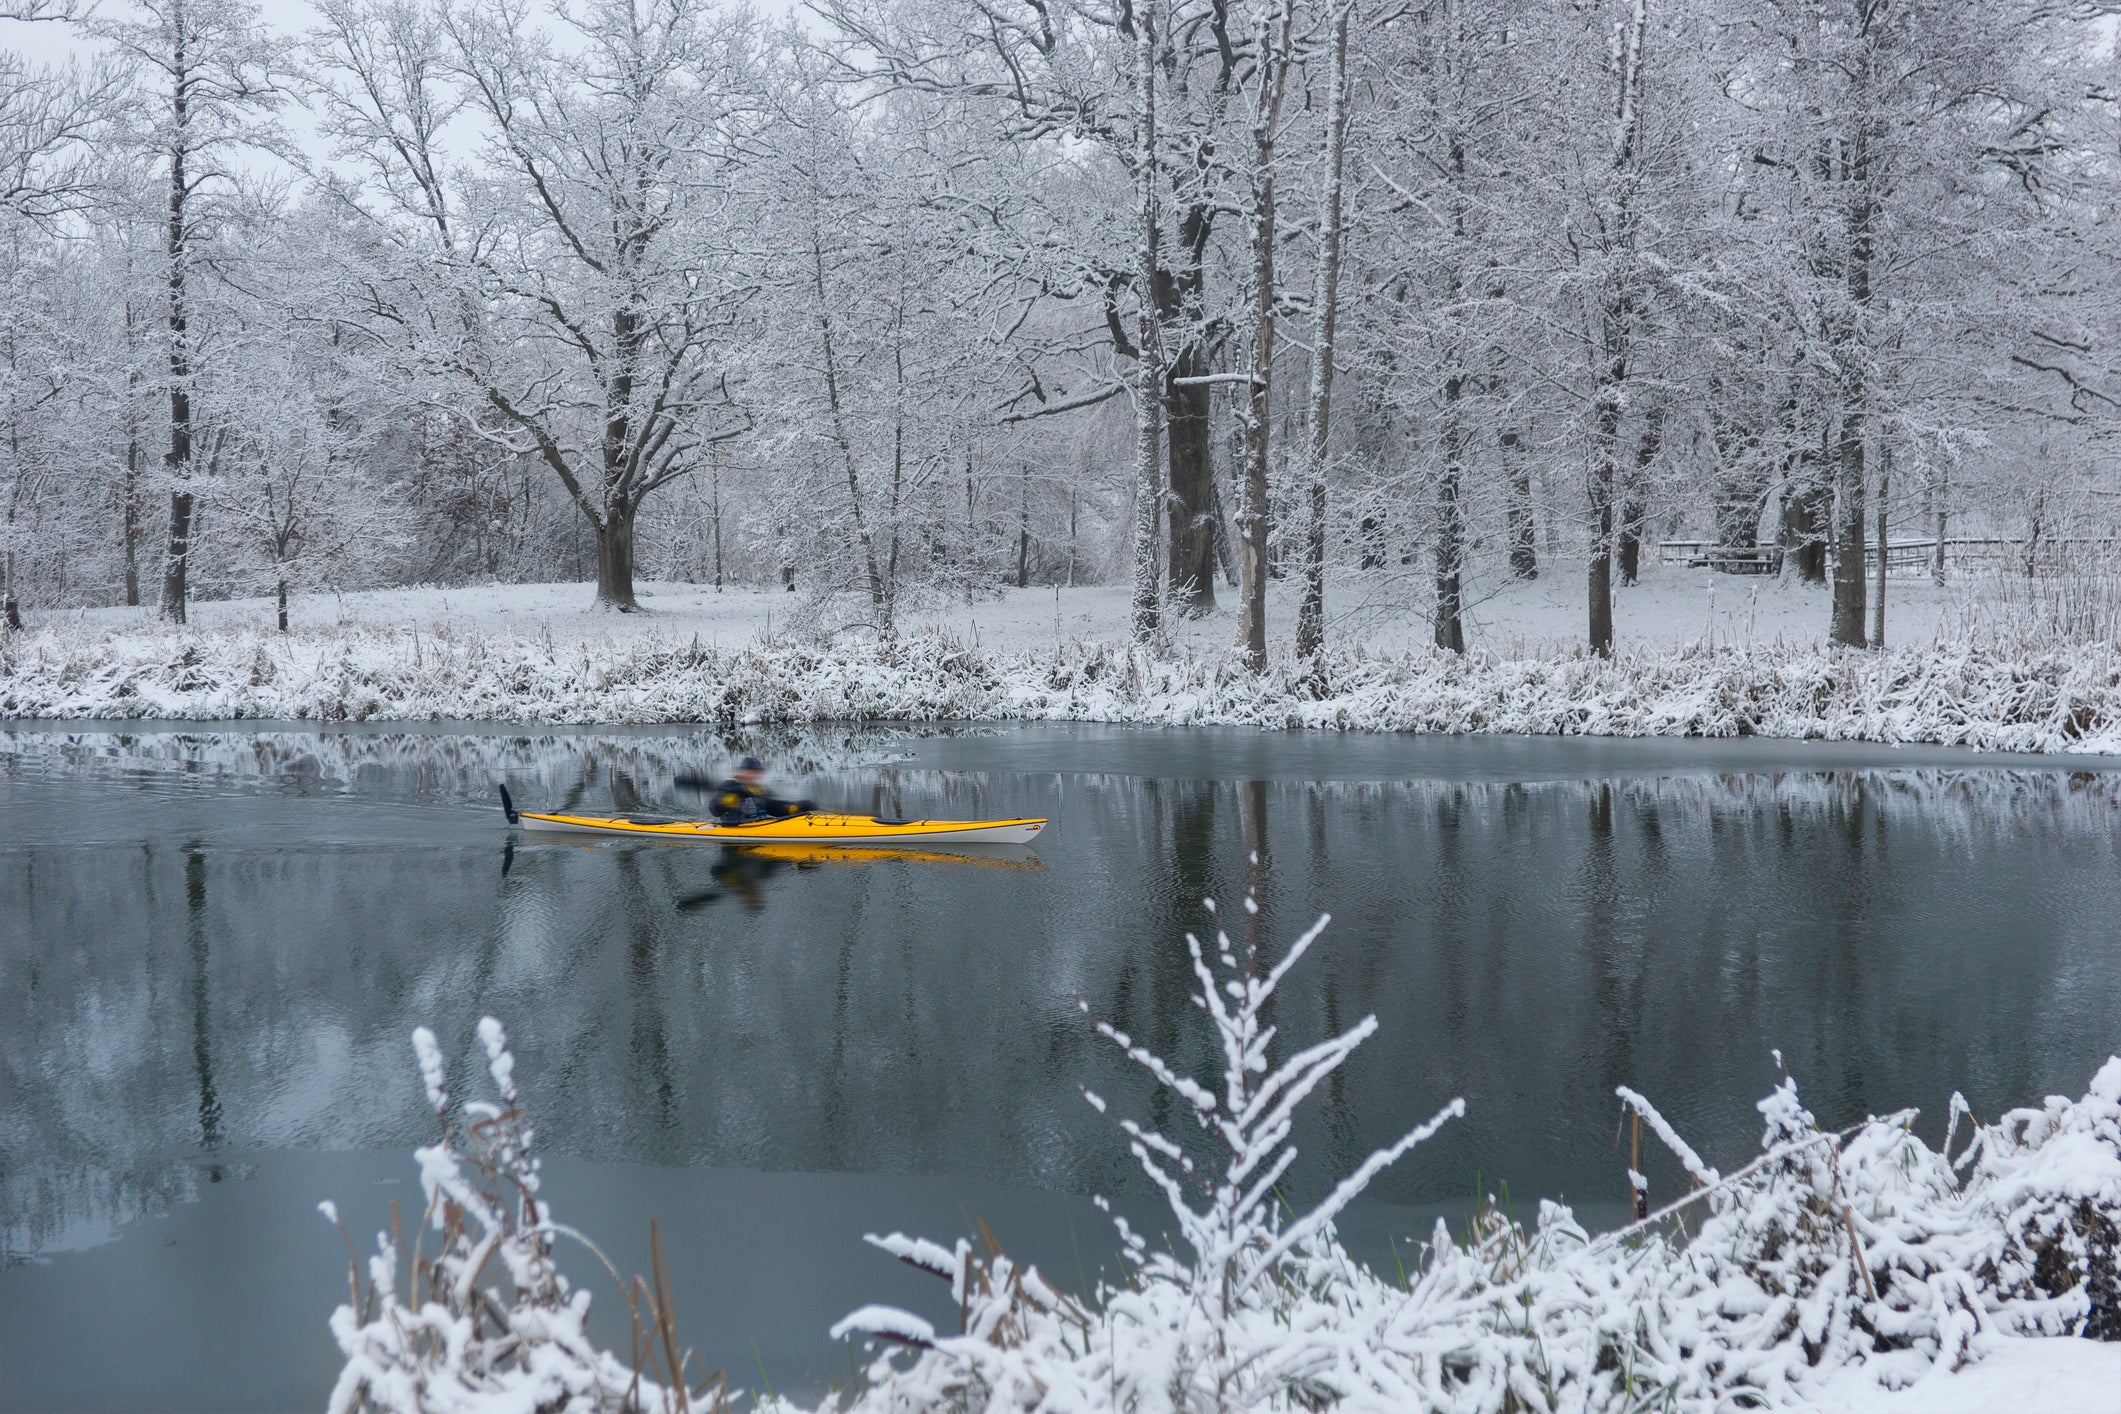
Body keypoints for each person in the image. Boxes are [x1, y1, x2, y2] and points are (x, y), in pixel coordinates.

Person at [707, 757, 812, 826]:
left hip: (759, 827)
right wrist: (732, 799)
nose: (753, 775)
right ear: (742, 771)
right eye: (750, 772)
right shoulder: (729, 785)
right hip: (734, 832)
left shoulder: (757, 789)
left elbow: (773, 807)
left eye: (756, 772)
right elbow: (714, 810)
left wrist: (794, 808)